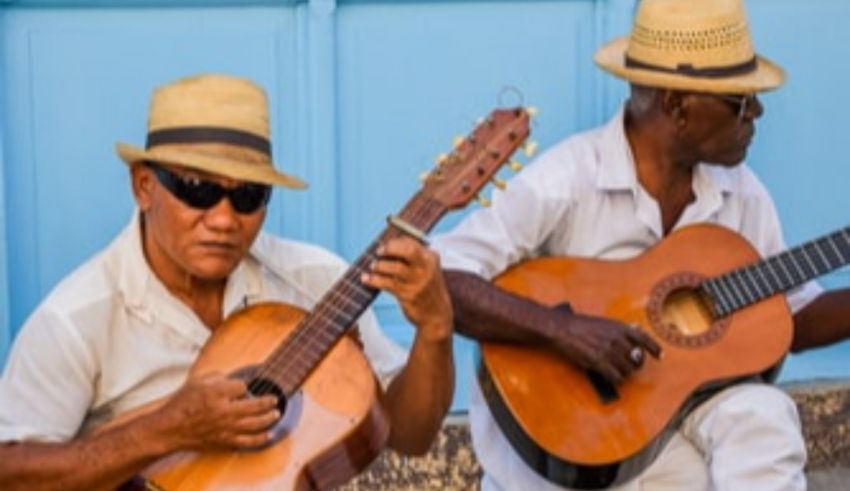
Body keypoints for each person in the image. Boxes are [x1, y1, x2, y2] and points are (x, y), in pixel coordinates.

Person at [431, 0, 850, 490]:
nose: (756, 113)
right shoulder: (566, 179)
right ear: (676, 105)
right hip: (570, 434)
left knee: (765, 416)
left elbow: (791, 315)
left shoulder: (742, 192)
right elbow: (442, 275)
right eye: (740, 102)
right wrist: (563, 330)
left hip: (676, 415)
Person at [0, 73, 455, 490]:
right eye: (197, 189)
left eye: (248, 196)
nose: (223, 219)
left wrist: (435, 330)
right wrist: (164, 430)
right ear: (143, 186)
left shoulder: (314, 282)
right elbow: (10, 470)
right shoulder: (78, 318)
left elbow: (410, 437)